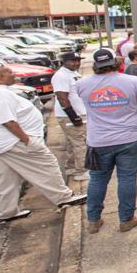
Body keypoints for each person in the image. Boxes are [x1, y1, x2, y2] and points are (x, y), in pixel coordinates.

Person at [0, 64, 87, 222]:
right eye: (10, 73)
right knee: (46, 164)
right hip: (12, 142)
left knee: (4, 179)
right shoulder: (0, 94)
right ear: (0, 77)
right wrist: (27, 140)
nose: (14, 75)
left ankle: (5, 212)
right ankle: (63, 197)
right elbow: (8, 121)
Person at [76, 47, 137, 232]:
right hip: (130, 138)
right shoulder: (133, 82)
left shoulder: (82, 85)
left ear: (95, 65)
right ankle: (126, 218)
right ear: (116, 62)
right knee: (127, 178)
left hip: (98, 140)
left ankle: (93, 220)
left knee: (97, 180)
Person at [48, 50, 88, 179]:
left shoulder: (72, 73)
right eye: (73, 61)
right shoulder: (61, 76)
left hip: (78, 113)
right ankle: (81, 171)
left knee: (73, 142)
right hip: (70, 115)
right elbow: (62, 97)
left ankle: (71, 167)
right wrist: (73, 116)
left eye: (78, 60)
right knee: (80, 143)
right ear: (64, 62)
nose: (76, 63)